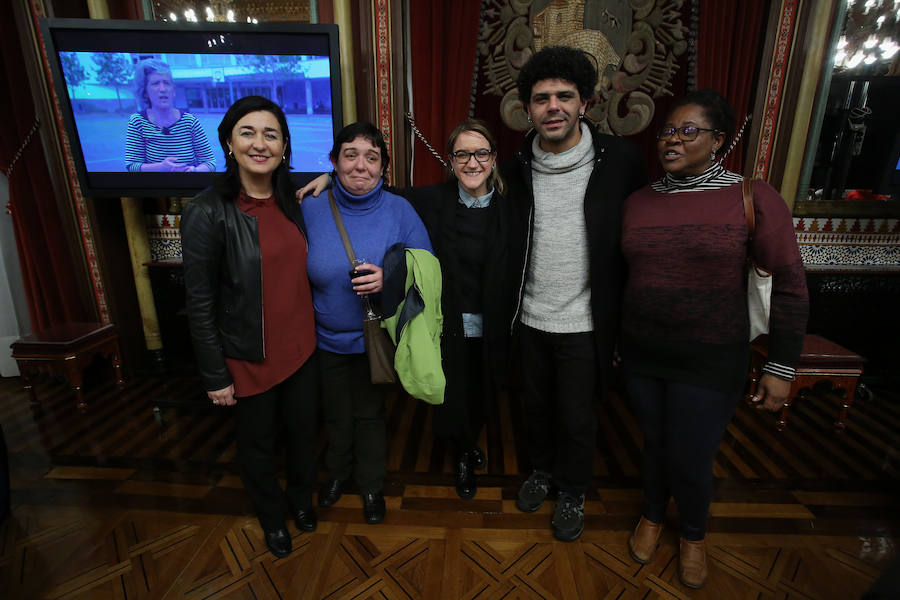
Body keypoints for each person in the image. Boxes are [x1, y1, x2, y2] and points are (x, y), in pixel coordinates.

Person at [620, 89, 809, 589]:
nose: (672, 140)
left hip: (710, 358)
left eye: (687, 131)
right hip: (643, 353)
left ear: (718, 141)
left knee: (692, 452)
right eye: (666, 131)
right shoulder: (638, 202)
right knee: (656, 443)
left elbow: (789, 282)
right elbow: (624, 277)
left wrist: (781, 366)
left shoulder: (752, 196)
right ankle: (653, 516)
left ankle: (694, 536)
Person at [299, 119, 514, 499]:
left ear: (494, 158)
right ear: (450, 160)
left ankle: (467, 444)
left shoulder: (511, 207)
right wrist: (329, 179)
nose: (472, 162)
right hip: (447, 322)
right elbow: (374, 186)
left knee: (484, 393)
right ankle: (460, 454)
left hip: (494, 322)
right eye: (462, 154)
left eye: (481, 153)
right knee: (451, 394)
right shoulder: (434, 199)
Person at [503, 45, 646, 542]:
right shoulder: (516, 165)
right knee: (536, 408)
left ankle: (574, 490)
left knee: (578, 416)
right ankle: (541, 472)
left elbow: (649, 222)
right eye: (542, 98)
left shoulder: (621, 161)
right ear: (529, 108)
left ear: (585, 102)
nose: (553, 107)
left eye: (565, 96)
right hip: (530, 317)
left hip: (586, 321)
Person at [180, 95, 318, 559]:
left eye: (271, 134)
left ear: (284, 148)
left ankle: (301, 502)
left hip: (302, 349)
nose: (260, 143)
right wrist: (215, 375)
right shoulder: (207, 210)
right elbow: (198, 301)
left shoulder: (292, 200)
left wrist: (329, 178)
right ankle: (273, 518)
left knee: (303, 436)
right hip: (247, 355)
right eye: (248, 132)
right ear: (227, 142)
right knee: (258, 447)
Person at [300, 122, 432, 524]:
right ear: (334, 162)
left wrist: (388, 278)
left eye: (371, 157)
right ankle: (337, 475)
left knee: (370, 415)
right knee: (335, 414)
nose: (360, 166)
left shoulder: (400, 209)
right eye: (350, 155)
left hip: (377, 339)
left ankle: (372, 486)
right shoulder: (309, 206)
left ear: (383, 168)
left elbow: (428, 267)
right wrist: (322, 181)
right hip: (323, 340)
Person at [126, 58, 215, 173]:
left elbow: (210, 162)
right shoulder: (137, 122)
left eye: (166, 83)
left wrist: (195, 170)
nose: (163, 89)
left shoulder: (190, 122)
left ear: (173, 90)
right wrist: (160, 168)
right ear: (145, 92)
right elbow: (132, 166)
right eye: (155, 84)